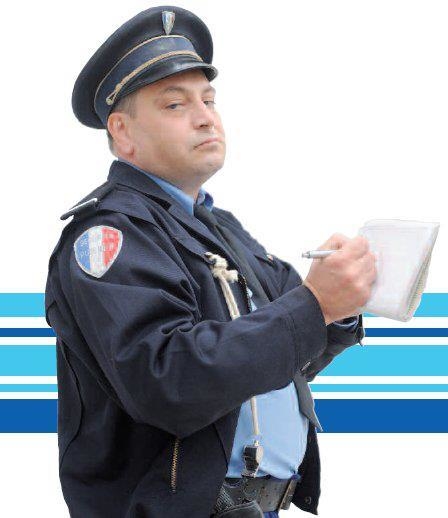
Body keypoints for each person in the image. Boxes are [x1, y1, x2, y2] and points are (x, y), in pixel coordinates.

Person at [44, 5, 376, 517]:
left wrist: (340, 307)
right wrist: (316, 305)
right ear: (123, 132)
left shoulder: (220, 228)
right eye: (175, 104)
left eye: (209, 100)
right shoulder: (110, 235)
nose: (205, 116)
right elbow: (168, 381)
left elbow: (289, 350)